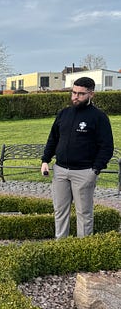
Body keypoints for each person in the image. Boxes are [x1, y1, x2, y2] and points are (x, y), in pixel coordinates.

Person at [40, 76, 114, 239]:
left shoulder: (99, 117)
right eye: (73, 92)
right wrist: (45, 160)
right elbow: (53, 138)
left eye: (80, 94)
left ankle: (83, 248)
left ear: (91, 94)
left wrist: (95, 170)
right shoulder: (64, 113)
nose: (75, 97)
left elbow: (107, 147)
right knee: (60, 211)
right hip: (60, 171)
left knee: (84, 213)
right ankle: (61, 246)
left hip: (84, 172)